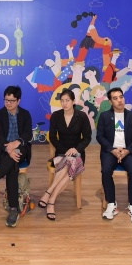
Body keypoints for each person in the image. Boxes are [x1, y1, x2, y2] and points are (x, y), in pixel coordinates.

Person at [0, 85, 33, 228]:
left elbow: (28, 134)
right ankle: (14, 209)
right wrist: (9, 149)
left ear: (19, 101)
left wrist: (17, 143)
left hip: (21, 149)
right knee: (12, 167)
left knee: (13, 159)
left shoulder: (25, 114)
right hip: (3, 150)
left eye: (12, 100)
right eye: (6, 100)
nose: (8, 103)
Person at [38, 88, 92, 221]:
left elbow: (87, 137)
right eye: (62, 101)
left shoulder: (82, 116)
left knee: (71, 162)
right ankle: (51, 200)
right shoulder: (56, 116)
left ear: (73, 101)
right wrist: (65, 151)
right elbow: (53, 137)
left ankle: (50, 196)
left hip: (77, 154)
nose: (64, 103)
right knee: (69, 164)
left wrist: (76, 149)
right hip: (61, 153)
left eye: (67, 100)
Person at [97, 87, 132, 223]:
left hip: (128, 151)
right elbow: (100, 136)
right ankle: (112, 204)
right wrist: (112, 150)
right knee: (106, 171)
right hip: (110, 151)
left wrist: (127, 150)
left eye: (121, 97)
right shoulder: (104, 116)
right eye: (115, 98)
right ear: (110, 101)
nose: (119, 100)